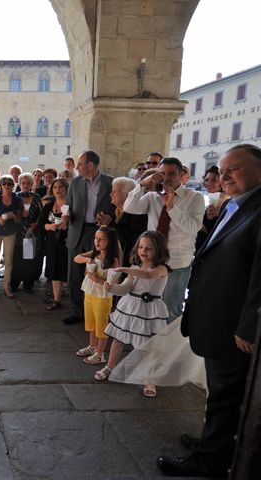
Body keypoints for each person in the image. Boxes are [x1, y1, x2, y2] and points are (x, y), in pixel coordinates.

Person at [157, 144, 261, 478]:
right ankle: (211, 442)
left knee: (225, 395)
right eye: (223, 169)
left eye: (235, 169)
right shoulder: (234, 204)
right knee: (217, 390)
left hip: (233, 322)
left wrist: (248, 326)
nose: (224, 175)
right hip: (216, 315)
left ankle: (212, 459)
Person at [123, 157, 204, 323]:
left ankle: (168, 348)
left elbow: (193, 227)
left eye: (171, 174)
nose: (166, 178)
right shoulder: (153, 196)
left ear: (181, 174)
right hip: (152, 260)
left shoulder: (194, 197)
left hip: (177, 262)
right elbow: (129, 207)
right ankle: (149, 344)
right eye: (162, 174)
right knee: (149, 304)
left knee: (171, 309)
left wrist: (171, 206)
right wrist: (142, 184)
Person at [95, 231, 170, 398]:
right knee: (118, 338)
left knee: (148, 346)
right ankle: (110, 366)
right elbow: (125, 288)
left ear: (158, 250)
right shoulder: (135, 268)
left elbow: (149, 275)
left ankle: (150, 379)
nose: (143, 251)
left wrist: (124, 268)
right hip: (129, 307)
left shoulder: (162, 268)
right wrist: (112, 288)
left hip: (148, 312)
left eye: (149, 248)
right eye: (141, 247)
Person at [62, 150, 115, 325]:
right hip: (77, 231)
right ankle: (78, 311)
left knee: (98, 271)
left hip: (99, 232)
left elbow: (118, 208)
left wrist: (110, 219)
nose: (77, 167)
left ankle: (98, 311)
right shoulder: (75, 182)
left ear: (90, 165)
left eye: (80, 164)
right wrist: (66, 216)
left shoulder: (110, 183)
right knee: (75, 274)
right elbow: (68, 205)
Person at [73, 226, 121, 365]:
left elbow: (114, 283)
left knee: (101, 325)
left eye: (102, 239)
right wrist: (88, 260)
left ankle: (100, 354)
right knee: (91, 322)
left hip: (102, 297)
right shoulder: (94, 254)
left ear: (110, 242)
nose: (97, 242)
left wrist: (95, 278)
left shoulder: (113, 261)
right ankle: (92, 346)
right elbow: (77, 257)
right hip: (90, 293)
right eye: (96, 238)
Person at [96, 177, 148, 267]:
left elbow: (132, 239)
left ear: (127, 195)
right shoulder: (112, 209)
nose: (111, 194)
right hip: (111, 258)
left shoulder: (138, 213)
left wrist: (110, 224)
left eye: (115, 191)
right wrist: (103, 226)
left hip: (127, 260)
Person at [38, 178, 69, 310]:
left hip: (67, 242)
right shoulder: (49, 206)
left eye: (60, 187)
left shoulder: (70, 206)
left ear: (66, 189)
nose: (57, 190)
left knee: (66, 269)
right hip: (52, 241)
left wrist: (67, 225)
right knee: (54, 269)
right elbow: (41, 224)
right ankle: (57, 300)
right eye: (55, 187)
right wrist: (50, 227)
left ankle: (74, 299)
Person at [10, 172, 42, 292]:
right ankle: (14, 284)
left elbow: (41, 215)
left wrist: (36, 224)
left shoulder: (36, 197)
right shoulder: (15, 196)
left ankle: (28, 285)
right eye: (23, 183)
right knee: (16, 260)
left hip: (30, 232)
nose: (25, 185)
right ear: (19, 183)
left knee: (28, 260)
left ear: (31, 184)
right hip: (17, 232)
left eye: (28, 183)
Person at [195, 166, 228, 251]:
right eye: (206, 180)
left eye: (213, 180)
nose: (208, 183)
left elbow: (216, 230)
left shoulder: (227, 201)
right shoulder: (212, 198)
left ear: (221, 182)